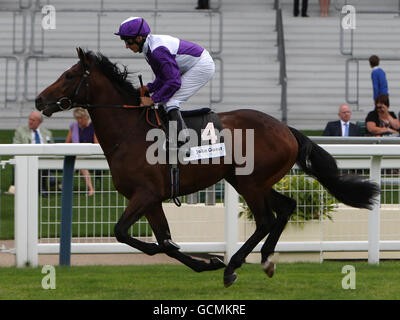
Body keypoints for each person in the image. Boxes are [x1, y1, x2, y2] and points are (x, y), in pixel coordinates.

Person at [114, 17, 215, 152]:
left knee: (170, 100)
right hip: (190, 65)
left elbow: (174, 82)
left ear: (139, 38)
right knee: (163, 100)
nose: (126, 45)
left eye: (127, 41)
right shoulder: (147, 49)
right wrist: (149, 88)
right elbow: (163, 77)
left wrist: (152, 99)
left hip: (201, 65)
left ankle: (182, 140)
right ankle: (169, 136)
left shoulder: (157, 51)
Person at [11, 111, 54, 196]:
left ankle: (42, 187)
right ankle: (43, 188)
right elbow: (15, 146)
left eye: (33, 120)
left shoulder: (47, 133)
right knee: (36, 163)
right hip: (27, 157)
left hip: (43, 158)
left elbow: (52, 148)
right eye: (29, 119)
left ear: (39, 122)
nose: (30, 122)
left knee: (43, 163)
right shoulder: (20, 131)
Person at [65, 108, 98, 196]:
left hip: (90, 155)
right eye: (77, 118)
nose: (79, 121)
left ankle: (66, 184)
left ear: (86, 118)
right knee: (79, 161)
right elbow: (67, 142)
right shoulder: (73, 126)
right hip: (77, 154)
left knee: (79, 162)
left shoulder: (93, 127)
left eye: (81, 118)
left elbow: (96, 144)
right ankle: (91, 189)